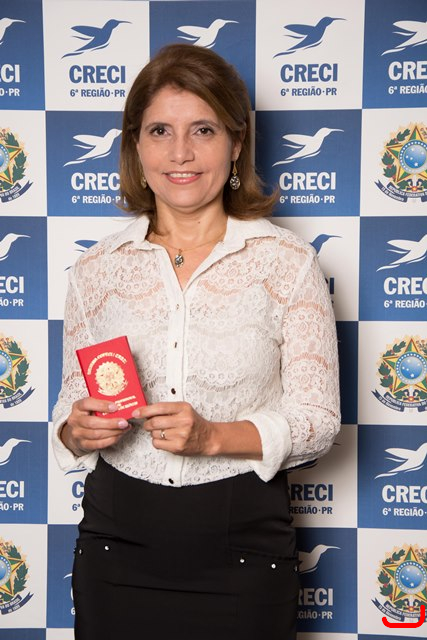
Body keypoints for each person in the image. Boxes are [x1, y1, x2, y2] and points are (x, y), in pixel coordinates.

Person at [52, 43, 340, 640]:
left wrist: (212, 437)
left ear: (235, 144)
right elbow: (69, 408)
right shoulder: (95, 270)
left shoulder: (287, 262)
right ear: (136, 146)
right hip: (114, 551)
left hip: (243, 554)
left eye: (203, 130)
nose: (180, 152)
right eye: (160, 130)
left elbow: (319, 421)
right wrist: (74, 431)